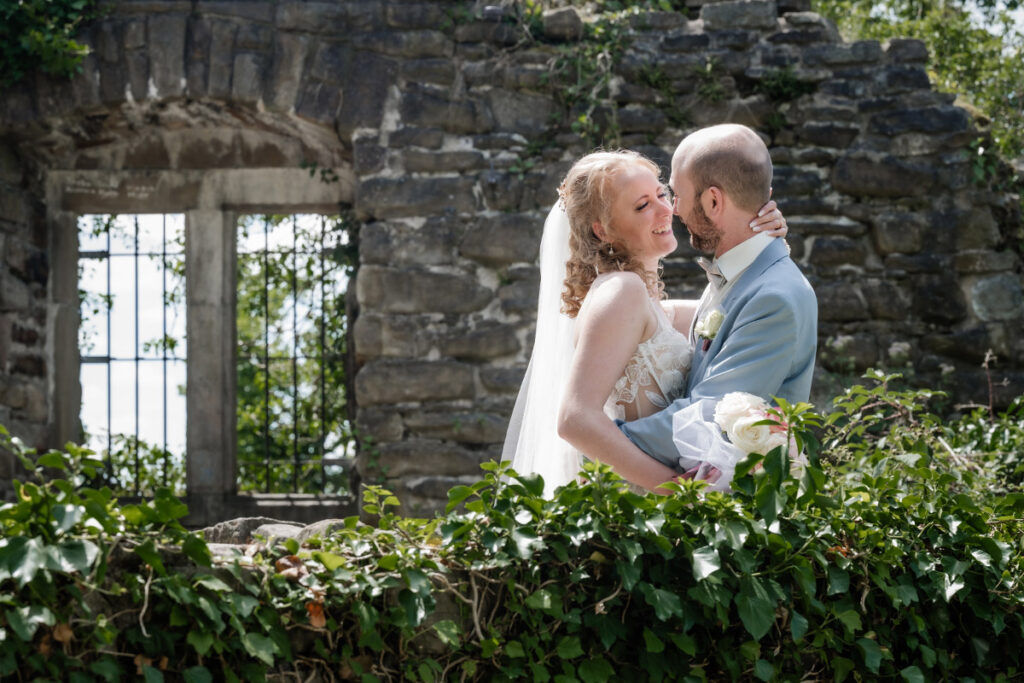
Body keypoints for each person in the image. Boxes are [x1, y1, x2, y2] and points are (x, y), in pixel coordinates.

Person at [501, 147, 789, 495]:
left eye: (661, 194)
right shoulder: (622, 291)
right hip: (647, 503)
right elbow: (575, 419)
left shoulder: (657, 309)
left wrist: (761, 235)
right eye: (642, 206)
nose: (667, 210)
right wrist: (674, 489)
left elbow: (741, 302)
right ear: (603, 231)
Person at [618, 124, 818, 476]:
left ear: (713, 201)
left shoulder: (773, 299)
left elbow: (706, 415)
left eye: (677, 194)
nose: (674, 210)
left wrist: (603, 443)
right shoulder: (741, 272)